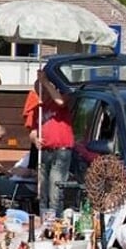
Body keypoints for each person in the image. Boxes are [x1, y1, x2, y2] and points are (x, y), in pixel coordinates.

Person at [23, 69, 73, 215]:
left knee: (55, 188)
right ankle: (45, 220)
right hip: (44, 151)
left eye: (43, 90)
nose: (41, 94)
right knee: (42, 189)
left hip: (60, 150)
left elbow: (61, 101)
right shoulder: (38, 108)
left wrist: (44, 81)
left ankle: (55, 220)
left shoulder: (60, 98)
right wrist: (35, 139)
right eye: (39, 90)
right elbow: (32, 130)